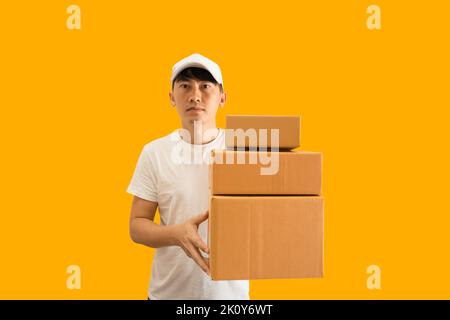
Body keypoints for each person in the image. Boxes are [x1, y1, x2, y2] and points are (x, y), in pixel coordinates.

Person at [126, 53, 250, 300]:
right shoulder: (155, 152)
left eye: (206, 86)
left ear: (223, 97)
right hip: (168, 295)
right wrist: (176, 234)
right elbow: (137, 225)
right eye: (185, 86)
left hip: (230, 299)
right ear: (172, 98)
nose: (195, 95)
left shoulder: (244, 148)